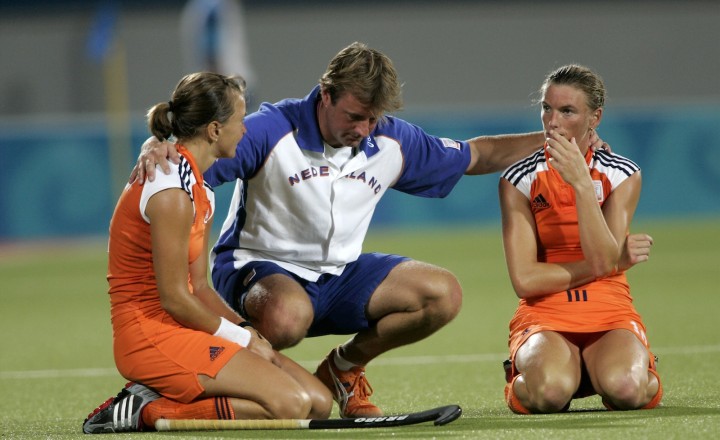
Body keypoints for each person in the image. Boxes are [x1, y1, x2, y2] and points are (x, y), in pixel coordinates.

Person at [132, 42, 607, 419]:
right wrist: (161, 144)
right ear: (325, 95)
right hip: (260, 270)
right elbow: (200, 154)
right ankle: (212, 375)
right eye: (354, 116)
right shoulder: (272, 129)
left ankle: (342, 371)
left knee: (441, 293)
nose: (364, 127)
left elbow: (475, 155)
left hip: (339, 275)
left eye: (373, 118)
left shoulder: (390, 139)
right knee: (286, 316)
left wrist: (557, 139)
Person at [82, 72, 332, 434]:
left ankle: (170, 393)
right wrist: (242, 340)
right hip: (149, 336)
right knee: (290, 405)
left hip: (185, 326)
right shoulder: (171, 193)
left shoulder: (201, 189)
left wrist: (246, 329)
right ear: (214, 130)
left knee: (319, 404)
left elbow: (199, 287)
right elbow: (174, 298)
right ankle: (147, 410)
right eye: (239, 121)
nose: (245, 130)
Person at [499, 64, 662, 414]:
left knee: (628, 389)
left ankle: (621, 366)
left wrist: (582, 186)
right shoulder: (518, 179)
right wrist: (613, 263)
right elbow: (526, 281)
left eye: (567, 111)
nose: (552, 121)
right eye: (547, 108)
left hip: (609, 309)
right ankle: (539, 374)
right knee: (549, 393)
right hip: (545, 312)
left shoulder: (622, 174)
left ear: (595, 117)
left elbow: (603, 261)